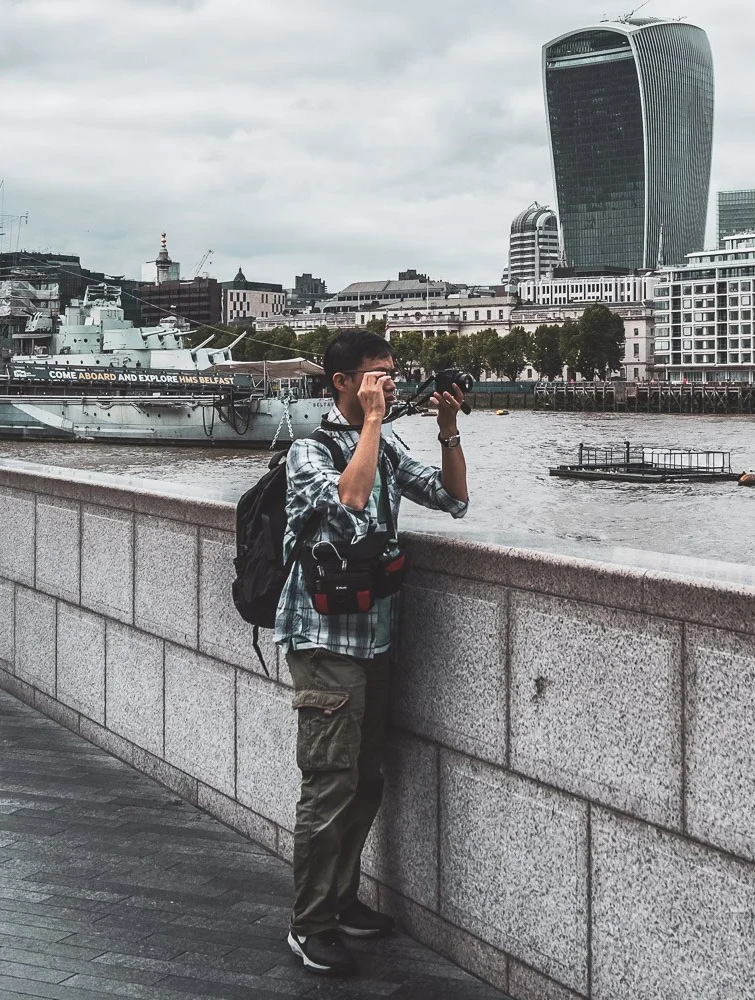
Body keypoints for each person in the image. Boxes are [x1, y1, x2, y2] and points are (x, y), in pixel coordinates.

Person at [279, 330, 471, 977]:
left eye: (391, 374)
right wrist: (374, 424)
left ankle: (343, 900)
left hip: (376, 639)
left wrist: (447, 427)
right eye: (375, 376)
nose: (387, 383)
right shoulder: (309, 452)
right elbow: (349, 504)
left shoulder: (383, 446)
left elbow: (453, 499)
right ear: (341, 384)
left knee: (365, 782)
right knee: (329, 785)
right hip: (324, 642)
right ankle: (309, 924)